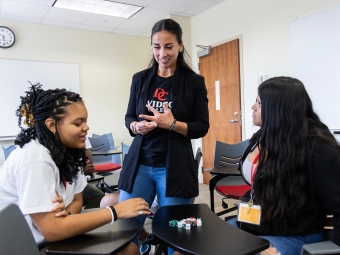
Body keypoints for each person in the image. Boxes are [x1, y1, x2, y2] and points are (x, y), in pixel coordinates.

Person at [0, 84, 151, 255]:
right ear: (51, 125)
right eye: (78, 123)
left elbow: (78, 199)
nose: (86, 127)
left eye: (85, 121)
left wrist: (66, 216)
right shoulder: (35, 159)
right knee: (128, 250)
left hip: (51, 238)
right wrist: (115, 212)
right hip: (28, 247)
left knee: (130, 248)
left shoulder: (67, 153)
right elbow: (51, 229)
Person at [118, 18, 209, 255]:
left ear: (180, 45)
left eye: (168, 46)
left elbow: (201, 126)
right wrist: (136, 126)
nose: (162, 53)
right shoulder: (140, 79)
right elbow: (128, 117)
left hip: (174, 167)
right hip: (140, 164)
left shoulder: (195, 82)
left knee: (175, 233)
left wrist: (173, 124)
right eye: (156, 47)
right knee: (125, 228)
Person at [227, 77, 340, 255]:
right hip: (256, 225)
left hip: (296, 234)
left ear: (278, 110)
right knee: (202, 243)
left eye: (259, 103)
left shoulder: (317, 148)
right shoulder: (263, 136)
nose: (252, 107)